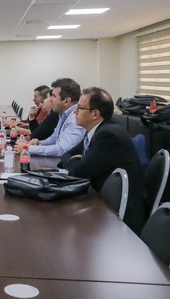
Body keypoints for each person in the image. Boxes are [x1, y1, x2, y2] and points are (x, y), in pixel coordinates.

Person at [59, 87, 148, 234]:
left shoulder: (108, 135)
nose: (75, 112)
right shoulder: (97, 128)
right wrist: (75, 160)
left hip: (121, 215)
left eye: (80, 108)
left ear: (95, 114)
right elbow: (67, 154)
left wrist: (75, 161)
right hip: (103, 198)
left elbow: (80, 171)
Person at [15, 78, 85, 157]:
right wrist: (39, 143)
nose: (50, 100)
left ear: (66, 101)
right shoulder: (62, 114)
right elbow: (54, 139)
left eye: (54, 96)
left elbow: (62, 150)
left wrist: (29, 148)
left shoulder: (75, 119)